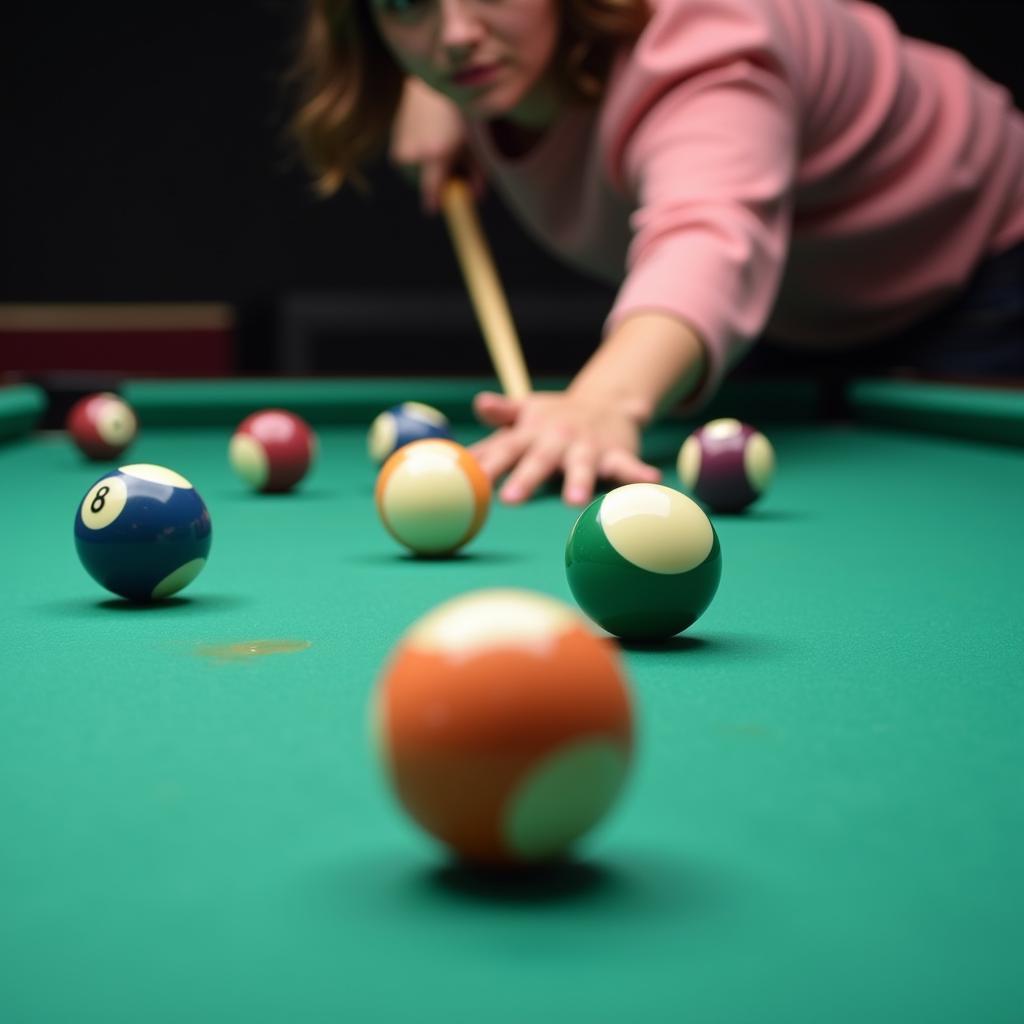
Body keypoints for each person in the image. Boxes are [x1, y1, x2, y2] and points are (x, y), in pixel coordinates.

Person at [291, 0, 1024, 505]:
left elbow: (707, 234)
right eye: (404, 4)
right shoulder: (477, 55)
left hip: (981, 252)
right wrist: (434, 88)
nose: (453, 37)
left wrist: (602, 401)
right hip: (800, 300)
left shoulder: (703, 39)